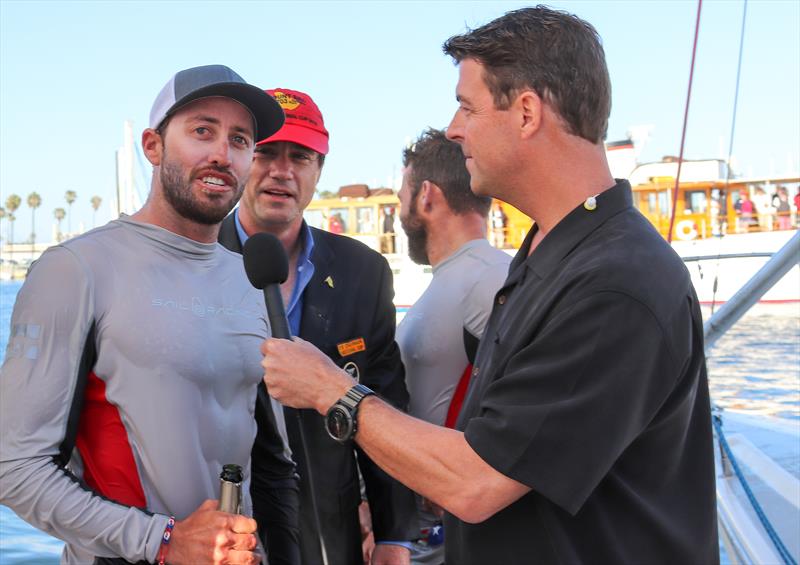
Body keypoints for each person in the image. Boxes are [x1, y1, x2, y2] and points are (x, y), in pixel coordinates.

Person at [258, 7, 719, 565]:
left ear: (526, 112)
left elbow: (478, 481)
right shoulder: (550, 253)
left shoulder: (615, 284)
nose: (454, 128)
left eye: (467, 105)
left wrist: (331, 389)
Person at [0, 65, 300, 565]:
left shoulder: (249, 278)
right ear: (153, 147)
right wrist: (163, 541)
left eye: (240, 140)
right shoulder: (76, 269)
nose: (222, 154)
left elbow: (273, 462)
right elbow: (14, 466)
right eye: (202, 131)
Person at [218, 88, 417, 565]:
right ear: (243, 159)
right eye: (266, 151)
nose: (282, 170)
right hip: (227, 536)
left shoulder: (362, 270)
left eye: (301, 156)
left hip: (333, 536)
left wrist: (395, 535)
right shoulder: (195, 261)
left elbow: (386, 401)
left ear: (319, 170)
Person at [395, 128, 511, 564]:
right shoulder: (466, 278)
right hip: (429, 531)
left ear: (426, 195)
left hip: (458, 533)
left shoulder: (489, 279)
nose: (399, 210)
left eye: (401, 194)